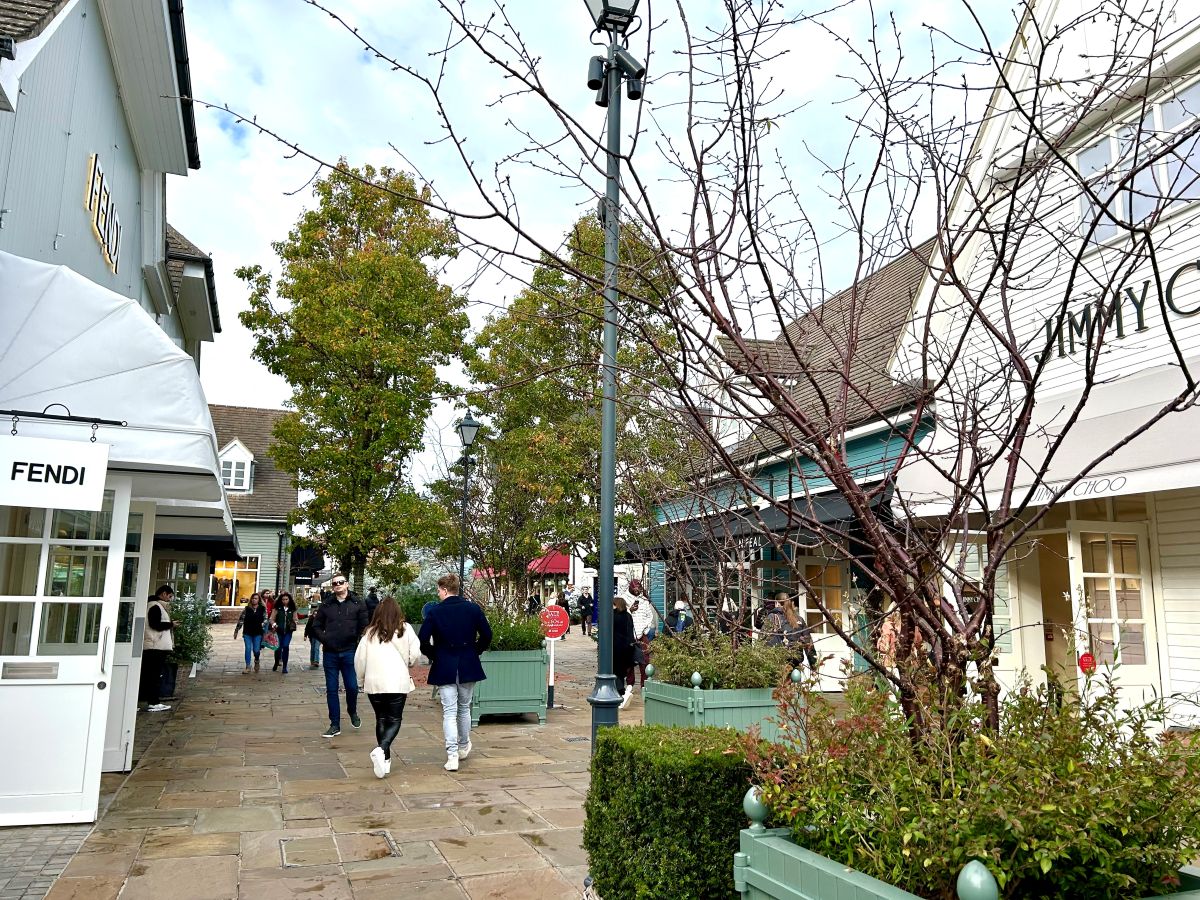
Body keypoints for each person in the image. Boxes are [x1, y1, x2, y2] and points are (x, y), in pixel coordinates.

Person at [419, 573, 493, 772]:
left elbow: (422, 640)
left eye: (438, 590)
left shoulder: (435, 612)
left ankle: (452, 755)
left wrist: (435, 654)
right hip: (468, 662)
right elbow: (487, 635)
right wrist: (475, 651)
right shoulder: (473, 608)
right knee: (464, 708)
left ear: (444, 590)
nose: (438, 593)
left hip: (444, 664)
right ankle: (463, 745)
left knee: (449, 712)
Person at [354, 595, 421, 779]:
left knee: (381, 719)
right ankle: (382, 749)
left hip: (374, 682)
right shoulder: (405, 629)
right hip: (397, 681)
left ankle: (385, 760)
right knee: (395, 719)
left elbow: (360, 660)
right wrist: (409, 662)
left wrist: (360, 680)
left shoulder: (369, 633)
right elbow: (416, 654)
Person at [311, 573, 369, 737]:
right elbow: (316, 626)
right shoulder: (327, 604)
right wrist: (325, 639)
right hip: (330, 653)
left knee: (352, 687)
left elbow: (365, 627)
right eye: (335, 583)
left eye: (340, 582)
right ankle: (334, 724)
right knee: (331, 689)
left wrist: (358, 641)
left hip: (349, 651)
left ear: (347, 584)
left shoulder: (358, 603)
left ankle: (352, 710)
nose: (337, 585)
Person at [141, 585, 175, 711]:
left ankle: (145, 701)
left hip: (155, 645)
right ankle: (153, 702)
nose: (169, 599)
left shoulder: (155, 605)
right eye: (169, 596)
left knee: (149, 675)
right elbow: (155, 624)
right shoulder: (155, 606)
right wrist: (171, 624)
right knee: (153, 676)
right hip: (154, 646)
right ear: (164, 594)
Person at [234, 592, 268, 673]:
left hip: (257, 632)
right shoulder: (247, 609)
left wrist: (263, 623)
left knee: (256, 650)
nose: (254, 600)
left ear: (259, 600)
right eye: (253, 598)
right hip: (247, 632)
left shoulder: (262, 609)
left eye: (256, 598)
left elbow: (266, 618)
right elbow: (241, 620)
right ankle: (248, 666)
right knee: (248, 648)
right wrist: (236, 630)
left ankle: (257, 660)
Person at [613, 595, 637, 710]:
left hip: (615, 647)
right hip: (627, 648)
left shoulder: (613, 616)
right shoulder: (628, 616)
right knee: (622, 671)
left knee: (615, 671)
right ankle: (622, 691)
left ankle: (621, 694)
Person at [271, 592, 298, 673]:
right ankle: (276, 662)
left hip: (288, 632)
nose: (285, 601)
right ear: (281, 600)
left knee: (286, 646)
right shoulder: (277, 608)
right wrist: (275, 625)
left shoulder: (292, 609)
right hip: (279, 631)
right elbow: (271, 619)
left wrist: (294, 623)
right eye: (283, 599)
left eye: (286, 599)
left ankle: (285, 666)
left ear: (289, 600)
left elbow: (295, 619)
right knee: (278, 648)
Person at [303, 588, 322, 668]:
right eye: (314, 614)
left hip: (318, 636)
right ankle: (312, 660)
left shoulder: (321, 620)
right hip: (312, 635)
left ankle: (316, 661)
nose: (315, 616)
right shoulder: (311, 619)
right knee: (313, 648)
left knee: (316, 647)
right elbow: (307, 627)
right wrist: (305, 635)